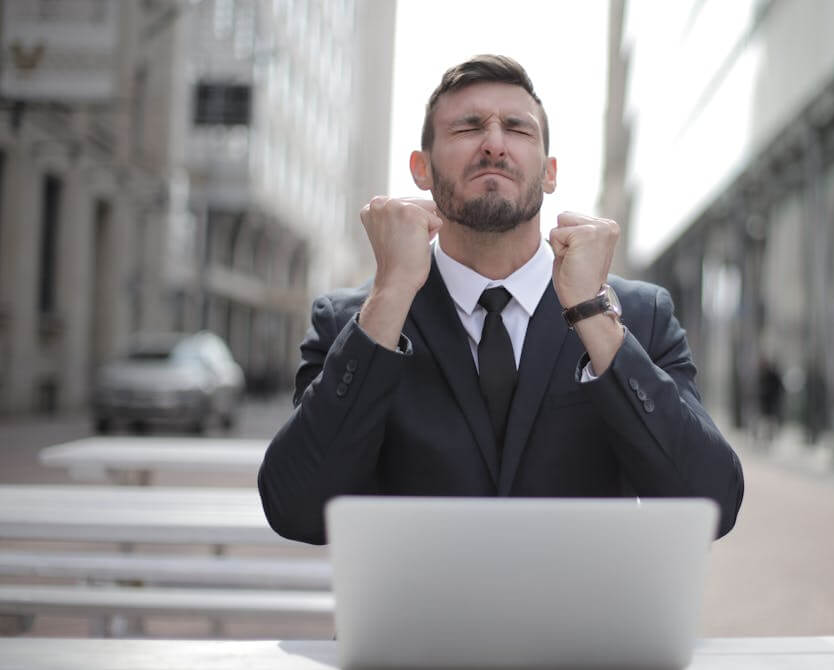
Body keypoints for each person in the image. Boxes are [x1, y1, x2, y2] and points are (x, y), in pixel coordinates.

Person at [258, 55, 743, 544]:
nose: (494, 144)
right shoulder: (352, 322)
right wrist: (391, 293)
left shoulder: (638, 315)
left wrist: (592, 313)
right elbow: (296, 508)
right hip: (410, 623)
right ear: (420, 169)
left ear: (550, 173)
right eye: (468, 128)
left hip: (584, 622)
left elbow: (710, 506)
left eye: (517, 129)